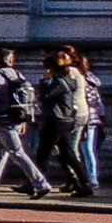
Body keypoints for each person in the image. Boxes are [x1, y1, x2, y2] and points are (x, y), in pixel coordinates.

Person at [0, 49, 54, 198]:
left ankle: (41, 184)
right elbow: (28, 98)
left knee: (17, 153)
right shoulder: (19, 75)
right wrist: (25, 119)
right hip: (18, 118)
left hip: (5, 119)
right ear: (12, 61)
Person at [43, 49, 101, 200]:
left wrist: (46, 82)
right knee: (69, 150)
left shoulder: (71, 73)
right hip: (80, 114)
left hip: (72, 115)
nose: (61, 59)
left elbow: (58, 91)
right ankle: (76, 181)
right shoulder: (78, 73)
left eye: (63, 57)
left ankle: (78, 182)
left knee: (70, 151)